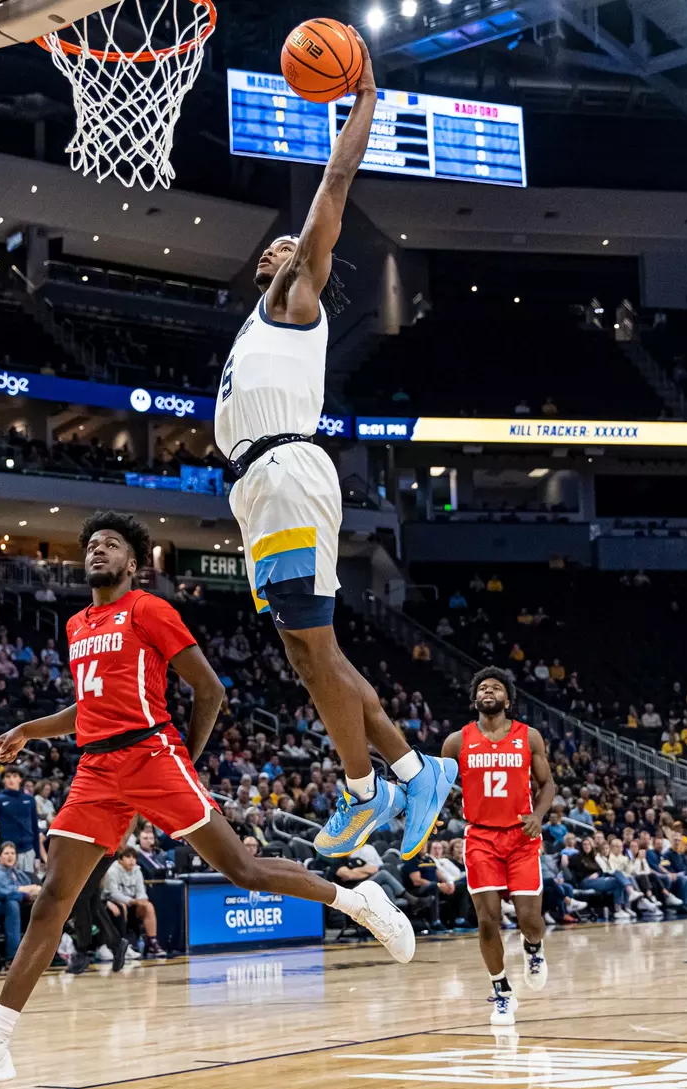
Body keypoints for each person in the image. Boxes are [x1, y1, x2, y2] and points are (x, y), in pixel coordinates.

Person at [0, 511, 415, 1086]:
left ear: (135, 563)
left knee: (243, 870)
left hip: (153, 756)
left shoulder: (151, 610)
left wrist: (187, 759)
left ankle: (356, 900)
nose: (98, 551)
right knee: (53, 897)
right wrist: (29, 730)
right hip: (97, 769)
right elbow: (89, 709)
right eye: (92, 545)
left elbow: (211, 689)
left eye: (111, 545)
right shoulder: (78, 623)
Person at [212, 34, 454, 860]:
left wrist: (363, 100)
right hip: (258, 485)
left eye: (296, 245)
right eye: (277, 246)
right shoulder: (257, 320)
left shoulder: (294, 293)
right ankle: (402, 777)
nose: (283, 245)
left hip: (284, 470)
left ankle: (380, 785)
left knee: (312, 650)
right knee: (312, 654)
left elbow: (335, 184)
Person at [441, 667, 555, 1026]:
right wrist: (433, 815)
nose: (488, 691)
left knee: (530, 920)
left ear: (508, 698)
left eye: (496, 687)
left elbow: (547, 783)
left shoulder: (529, 737)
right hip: (480, 838)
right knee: (487, 922)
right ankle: (502, 991)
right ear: (475, 698)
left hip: (521, 837)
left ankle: (533, 949)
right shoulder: (456, 742)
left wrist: (538, 814)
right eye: (482, 688)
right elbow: (439, 785)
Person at [102, 847, 166, 958]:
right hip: (113, 903)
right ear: (120, 860)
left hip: (132, 903)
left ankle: (152, 942)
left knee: (148, 906)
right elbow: (113, 893)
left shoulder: (137, 870)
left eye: (134, 858)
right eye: (128, 857)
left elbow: (141, 891)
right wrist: (132, 901)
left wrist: (142, 900)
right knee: (122, 907)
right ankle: (123, 943)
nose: (132, 860)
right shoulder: (112, 871)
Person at [0, 767, 45, 872]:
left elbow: (35, 828)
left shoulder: (30, 800)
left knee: (28, 885)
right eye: (8, 777)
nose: (11, 779)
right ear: (3, 780)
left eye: (15, 776)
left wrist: (38, 856)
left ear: (20, 779)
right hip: (7, 852)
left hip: (28, 851)